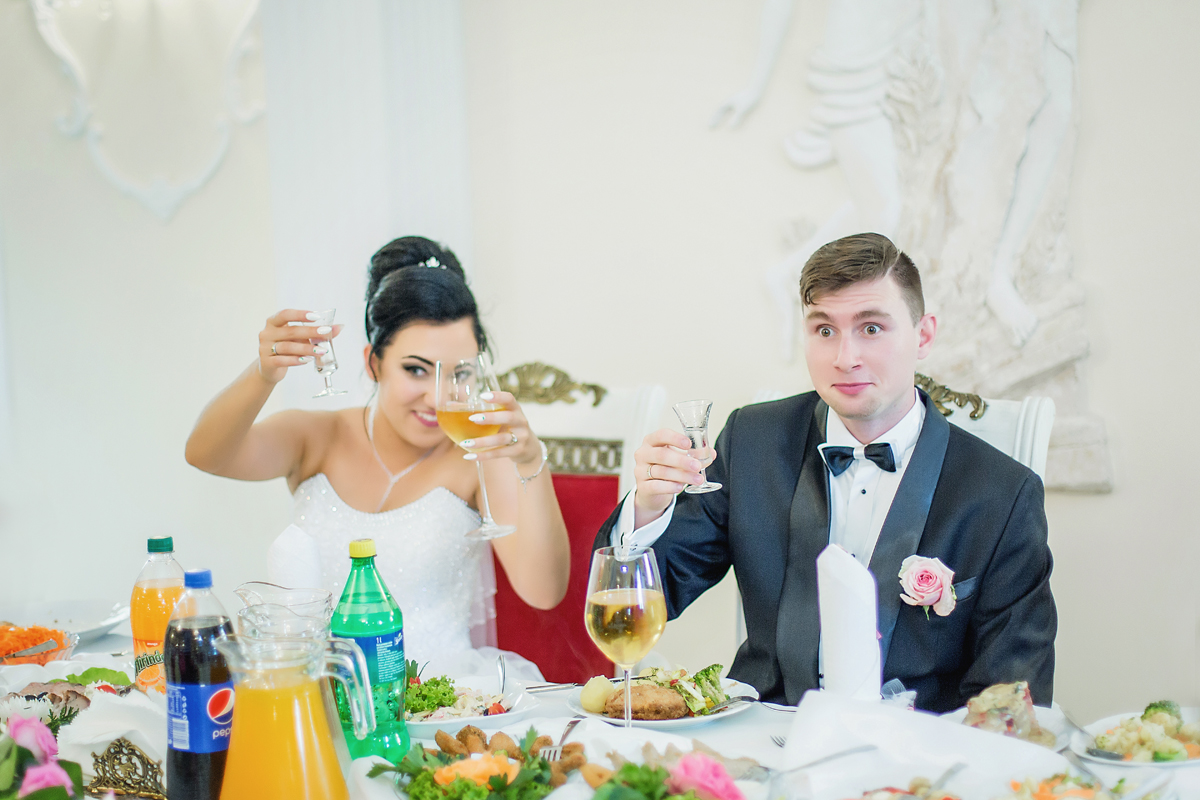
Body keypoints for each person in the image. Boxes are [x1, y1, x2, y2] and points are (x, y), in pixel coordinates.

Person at [595, 232, 1056, 712]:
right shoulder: (752, 441)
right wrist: (649, 509)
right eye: (824, 330)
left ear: (923, 335)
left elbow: (1013, 703)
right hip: (763, 732)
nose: (844, 358)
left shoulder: (1004, 493)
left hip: (914, 748)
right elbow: (636, 603)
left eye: (871, 328)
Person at [187, 236, 570, 678]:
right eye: (416, 370)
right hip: (320, 693)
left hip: (439, 695)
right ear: (373, 363)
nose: (437, 397)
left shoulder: (479, 457)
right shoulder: (319, 438)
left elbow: (544, 591)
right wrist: (263, 373)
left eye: (459, 373)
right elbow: (205, 454)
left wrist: (531, 462)